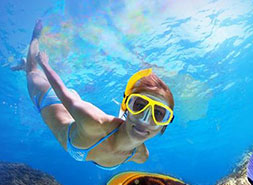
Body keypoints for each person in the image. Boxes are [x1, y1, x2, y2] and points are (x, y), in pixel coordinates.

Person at [13, 20, 175, 169]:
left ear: (164, 126)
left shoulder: (140, 156)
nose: (145, 119)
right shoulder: (94, 123)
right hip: (51, 100)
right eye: (139, 105)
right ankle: (34, 41)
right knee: (32, 72)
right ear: (127, 107)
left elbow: (128, 122)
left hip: (80, 109)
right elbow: (62, 92)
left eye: (159, 114)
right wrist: (45, 65)